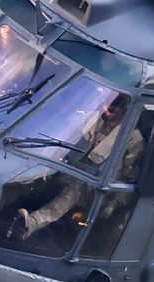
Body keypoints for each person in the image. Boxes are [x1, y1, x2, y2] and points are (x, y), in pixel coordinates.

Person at [8, 97, 142, 242]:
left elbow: (130, 179)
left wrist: (115, 203)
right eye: (109, 102)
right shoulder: (90, 121)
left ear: (127, 109)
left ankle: (31, 224)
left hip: (96, 189)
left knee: (75, 188)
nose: (110, 109)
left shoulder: (133, 140)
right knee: (32, 175)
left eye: (117, 105)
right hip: (67, 170)